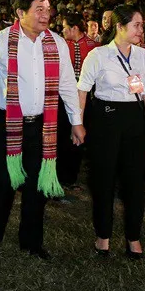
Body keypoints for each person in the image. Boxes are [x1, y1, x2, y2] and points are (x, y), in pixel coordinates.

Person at [0, 0, 85, 260]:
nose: (46, 14)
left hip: (44, 126)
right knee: (3, 184)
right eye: (39, 8)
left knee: (37, 188)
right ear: (20, 13)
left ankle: (31, 242)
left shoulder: (57, 43)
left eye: (48, 8)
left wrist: (76, 121)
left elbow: (66, 85)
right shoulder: (0, 41)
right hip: (7, 125)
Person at [77, 5, 145, 258]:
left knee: (134, 182)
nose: (141, 30)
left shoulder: (143, 55)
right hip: (106, 120)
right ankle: (103, 236)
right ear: (120, 27)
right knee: (103, 180)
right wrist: (78, 123)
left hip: (135, 122)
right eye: (136, 25)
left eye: (141, 25)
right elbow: (82, 90)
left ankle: (133, 238)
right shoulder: (98, 55)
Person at [57, 12, 96, 189]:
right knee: (62, 134)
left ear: (74, 28)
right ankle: (60, 174)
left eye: (65, 27)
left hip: (85, 99)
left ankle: (70, 176)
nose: (63, 30)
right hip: (63, 96)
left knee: (78, 135)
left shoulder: (94, 47)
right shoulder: (61, 44)